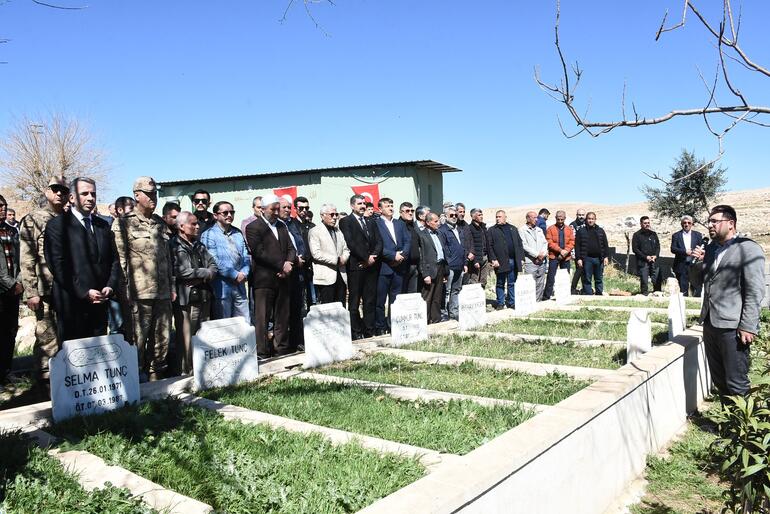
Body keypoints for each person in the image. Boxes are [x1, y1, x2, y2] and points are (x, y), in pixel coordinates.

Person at [691, 205, 765, 398]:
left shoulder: (748, 248)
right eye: (709, 221)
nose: (710, 225)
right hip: (710, 323)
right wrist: (698, 262)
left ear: (731, 223)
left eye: (715, 221)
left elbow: (754, 290)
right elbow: (696, 282)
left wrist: (748, 325)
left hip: (733, 327)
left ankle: (745, 427)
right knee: (720, 380)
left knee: (737, 382)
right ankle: (727, 426)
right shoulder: (712, 249)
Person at [113, 176, 175, 381]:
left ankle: (158, 383)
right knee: (136, 341)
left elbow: (168, 258)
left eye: (154, 193)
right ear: (137, 196)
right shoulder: (123, 224)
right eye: (148, 194)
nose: (153, 198)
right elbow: (121, 261)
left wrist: (172, 285)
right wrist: (124, 292)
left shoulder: (159, 223)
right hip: (139, 294)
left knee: (162, 339)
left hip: (163, 292)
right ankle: (134, 384)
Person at [44, 177, 120, 342]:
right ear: (72, 198)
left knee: (97, 354)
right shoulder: (57, 226)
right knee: (75, 359)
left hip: (100, 302)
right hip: (72, 304)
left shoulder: (103, 225)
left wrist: (110, 286)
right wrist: (84, 292)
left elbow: (114, 259)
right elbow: (57, 265)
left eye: (93, 193)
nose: (90, 198)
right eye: (84, 193)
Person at [19, 176, 68, 387]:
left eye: (63, 190)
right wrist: (31, 291)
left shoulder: (69, 219)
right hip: (45, 290)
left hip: (68, 289)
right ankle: (43, 384)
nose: (59, 193)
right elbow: (27, 257)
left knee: (66, 336)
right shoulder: (33, 220)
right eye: (55, 189)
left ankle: (64, 381)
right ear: (47, 192)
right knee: (47, 337)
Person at [245, 195, 295, 358]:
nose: (275, 212)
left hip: (283, 278)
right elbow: (259, 252)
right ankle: (262, 351)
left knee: (282, 316)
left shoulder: (281, 226)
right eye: (272, 209)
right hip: (264, 279)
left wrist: (289, 263)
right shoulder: (254, 227)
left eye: (277, 208)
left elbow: (290, 248)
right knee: (262, 317)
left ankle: (281, 348)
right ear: (263, 209)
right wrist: (282, 265)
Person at [172, 211, 217, 375]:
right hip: (187, 300)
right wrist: (204, 274)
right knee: (186, 337)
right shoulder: (173, 245)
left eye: (197, 223)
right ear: (181, 227)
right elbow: (181, 272)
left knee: (202, 334)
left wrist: (200, 275)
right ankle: (186, 371)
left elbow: (213, 266)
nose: (197, 226)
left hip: (204, 296)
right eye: (193, 224)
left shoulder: (199, 245)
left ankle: (202, 368)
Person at [339, 194, 382, 339]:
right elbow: (351, 243)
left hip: (371, 267)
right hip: (356, 266)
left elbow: (379, 241)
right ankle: (356, 332)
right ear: (352, 206)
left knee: (370, 301)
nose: (363, 206)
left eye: (364, 203)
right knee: (354, 302)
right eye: (359, 204)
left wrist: (373, 257)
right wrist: (365, 257)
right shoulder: (346, 221)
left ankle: (370, 331)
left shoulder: (371, 221)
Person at [199, 201, 250, 321]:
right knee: (225, 323)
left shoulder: (237, 233)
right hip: (221, 285)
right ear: (216, 215)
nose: (229, 215)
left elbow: (246, 256)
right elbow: (213, 260)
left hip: (240, 283)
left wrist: (244, 273)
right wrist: (234, 274)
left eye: (232, 212)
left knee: (244, 322)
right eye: (225, 213)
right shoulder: (208, 234)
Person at [374, 197, 411, 335]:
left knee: (395, 299)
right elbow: (376, 245)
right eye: (387, 206)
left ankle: (393, 324)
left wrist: (402, 255)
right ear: (380, 209)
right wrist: (392, 256)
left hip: (399, 266)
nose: (391, 208)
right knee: (380, 300)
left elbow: (408, 241)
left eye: (392, 205)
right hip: (384, 267)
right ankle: (380, 326)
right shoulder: (376, 223)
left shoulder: (399, 224)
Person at [279, 197, 307, 351]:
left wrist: (302, 256)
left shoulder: (293, 223)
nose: (287, 210)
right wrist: (294, 260)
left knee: (298, 309)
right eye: (284, 207)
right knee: (284, 311)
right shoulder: (276, 226)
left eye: (289, 207)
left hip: (299, 272)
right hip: (284, 272)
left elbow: (301, 243)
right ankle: (285, 344)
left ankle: (298, 341)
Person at [0, 194, 22, 384]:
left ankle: (6, 371)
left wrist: (19, 282)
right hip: (4, 288)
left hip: (13, 292)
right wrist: (10, 283)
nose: (2, 209)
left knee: (9, 331)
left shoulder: (11, 231)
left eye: (4, 206)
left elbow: (20, 259)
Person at [308, 203, 349, 304]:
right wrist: (336, 260)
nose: (335, 217)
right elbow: (316, 253)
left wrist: (344, 258)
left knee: (341, 307)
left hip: (341, 274)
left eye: (336, 214)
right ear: (322, 216)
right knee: (328, 309)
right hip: (326, 277)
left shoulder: (338, 231)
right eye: (332, 215)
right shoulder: (315, 231)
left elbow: (346, 249)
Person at [487, 210, 524, 309]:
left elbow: (519, 244)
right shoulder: (492, 230)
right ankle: (500, 302)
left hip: (513, 260)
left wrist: (521, 258)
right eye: (496, 217)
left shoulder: (513, 229)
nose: (497, 218)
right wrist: (493, 259)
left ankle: (512, 302)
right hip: (500, 261)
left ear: (505, 217)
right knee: (500, 283)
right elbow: (489, 247)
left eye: (499, 216)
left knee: (512, 283)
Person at [417, 212, 448, 323]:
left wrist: (445, 272)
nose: (438, 223)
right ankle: (424, 321)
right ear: (428, 222)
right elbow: (421, 256)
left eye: (438, 220)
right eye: (435, 221)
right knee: (427, 297)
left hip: (440, 268)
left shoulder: (439, 234)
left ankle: (435, 319)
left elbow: (442, 252)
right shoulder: (421, 235)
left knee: (437, 297)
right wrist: (425, 274)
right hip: (429, 270)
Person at [437, 206, 467, 321]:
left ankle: (454, 313)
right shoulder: (442, 230)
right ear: (446, 216)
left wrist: (464, 263)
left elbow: (463, 247)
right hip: (450, 266)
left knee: (456, 290)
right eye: (451, 215)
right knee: (446, 290)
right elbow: (444, 249)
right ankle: (444, 313)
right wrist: (447, 264)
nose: (454, 217)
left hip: (460, 265)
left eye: (455, 215)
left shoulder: (459, 229)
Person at [575, 212, 609, 295]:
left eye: (592, 219)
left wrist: (606, 257)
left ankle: (599, 293)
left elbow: (605, 245)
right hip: (587, 259)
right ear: (586, 220)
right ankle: (588, 294)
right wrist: (579, 258)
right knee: (587, 278)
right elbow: (577, 246)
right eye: (589, 219)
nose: (590, 220)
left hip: (599, 259)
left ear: (595, 220)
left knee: (599, 278)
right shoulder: (581, 231)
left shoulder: (600, 231)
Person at [543, 210, 575, 299]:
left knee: (565, 277)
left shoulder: (569, 229)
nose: (560, 221)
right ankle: (546, 296)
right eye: (558, 219)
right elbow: (549, 242)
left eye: (562, 219)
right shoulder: (550, 229)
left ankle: (564, 295)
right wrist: (560, 250)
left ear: (565, 218)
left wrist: (566, 250)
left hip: (566, 257)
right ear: (555, 218)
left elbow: (572, 241)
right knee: (551, 277)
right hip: (554, 256)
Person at [670, 215, 704, 296]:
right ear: (681, 224)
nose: (687, 224)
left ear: (692, 224)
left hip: (695, 265)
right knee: (683, 290)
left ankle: (696, 304)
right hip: (681, 266)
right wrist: (685, 252)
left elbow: (702, 248)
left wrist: (700, 254)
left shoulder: (698, 235)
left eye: (689, 223)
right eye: (684, 223)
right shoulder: (676, 235)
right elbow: (673, 249)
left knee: (696, 289)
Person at [293, 195, 316, 309]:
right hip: (298, 265)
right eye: (301, 208)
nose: (304, 211)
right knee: (298, 298)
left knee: (313, 297)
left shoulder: (312, 226)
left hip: (311, 266)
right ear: (295, 209)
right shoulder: (291, 224)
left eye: (306, 208)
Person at [520, 211, 548, 301]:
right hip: (530, 261)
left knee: (540, 282)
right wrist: (536, 255)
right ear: (528, 218)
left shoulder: (539, 230)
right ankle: (529, 301)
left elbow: (545, 243)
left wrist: (542, 254)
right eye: (534, 218)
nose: (537, 219)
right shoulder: (522, 230)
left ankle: (538, 300)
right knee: (530, 283)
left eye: (537, 218)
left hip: (541, 260)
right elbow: (523, 245)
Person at [632, 216, 662, 295]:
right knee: (644, 280)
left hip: (654, 260)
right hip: (643, 261)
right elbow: (635, 249)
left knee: (657, 279)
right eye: (645, 223)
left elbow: (658, 246)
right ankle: (644, 294)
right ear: (641, 224)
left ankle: (657, 294)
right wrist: (646, 257)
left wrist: (656, 255)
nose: (647, 225)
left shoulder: (653, 234)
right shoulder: (637, 235)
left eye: (648, 223)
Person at [399, 202, 421, 293]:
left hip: (415, 266)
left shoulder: (413, 227)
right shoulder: (398, 226)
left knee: (412, 296)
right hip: (403, 267)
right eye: (407, 211)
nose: (410, 213)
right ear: (401, 212)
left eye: (412, 210)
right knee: (401, 295)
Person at [466, 208, 491, 288]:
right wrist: (475, 261)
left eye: (482, 214)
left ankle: (481, 299)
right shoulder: (469, 228)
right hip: (476, 259)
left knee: (483, 281)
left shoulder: (483, 227)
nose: (481, 216)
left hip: (485, 257)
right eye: (479, 215)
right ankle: (473, 300)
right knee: (474, 281)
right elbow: (471, 245)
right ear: (473, 216)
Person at [569, 209, 587, 294]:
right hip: (577, 252)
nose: (581, 216)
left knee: (585, 271)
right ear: (576, 215)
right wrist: (573, 254)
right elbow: (571, 240)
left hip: (586, 252)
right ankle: (572, 288)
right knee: (579, 270)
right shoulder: (573, 225)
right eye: (579, 215)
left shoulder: (587, 224)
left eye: (583, 215)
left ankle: (585, 289)